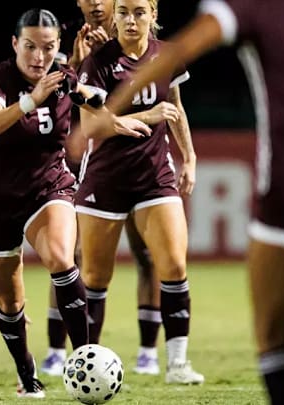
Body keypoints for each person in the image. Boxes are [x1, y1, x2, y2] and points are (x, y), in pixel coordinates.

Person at [103, 0, 284, 403]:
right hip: (117, 177)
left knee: (272, 336)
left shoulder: (262, 8)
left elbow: (180, 50)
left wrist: (111, 111)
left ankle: (170, 358)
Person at [0, 8, 150, 398]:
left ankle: (86, 356)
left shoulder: (63, 78)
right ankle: (26, 372)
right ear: (15, 44)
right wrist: (31, 101)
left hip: (48, 188)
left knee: (61, 258)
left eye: (48, 48)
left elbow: (91, 101)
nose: (39, 56)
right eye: (30, 46)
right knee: (10, 302)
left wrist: (118, 123)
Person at [75, 0, 204, 385]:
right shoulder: (98, 61)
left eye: (139, 12)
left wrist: (190, 158)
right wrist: (143, 117)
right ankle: (85, 362)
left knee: (174, 266)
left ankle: (177, 364)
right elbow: (90, 126)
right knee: (96, 276)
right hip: (106, 178)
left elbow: (176, 108)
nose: (131, 20)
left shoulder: (167, 55)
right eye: (124, 12)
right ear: (114, 17)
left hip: (155, 176)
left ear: (154, 14)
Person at [41, 0, 162, 377]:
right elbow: (46, 98)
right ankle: (58, 350)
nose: (96, 2)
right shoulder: (61, 37)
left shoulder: (139, 36)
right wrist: (75, 63)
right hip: (77, 161)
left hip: (135, 160)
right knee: (69, 258)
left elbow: (167, 98)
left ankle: (147, 352)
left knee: (148, 253)